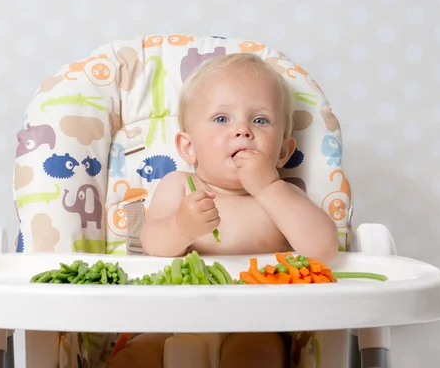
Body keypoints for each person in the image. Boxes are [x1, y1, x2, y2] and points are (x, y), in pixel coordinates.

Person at [106, 53, 339, 368]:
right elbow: (153, 244)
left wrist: (269, 187)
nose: (243, 130)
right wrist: (181, 227)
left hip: (255, 324)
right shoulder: (179, 187)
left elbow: (323, 249)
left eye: (260, 120)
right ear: (189, 148)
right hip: (170, 319)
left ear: (283, 151)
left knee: (257, 357)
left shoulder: (282, 198)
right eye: (221, 119)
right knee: (133, 358)